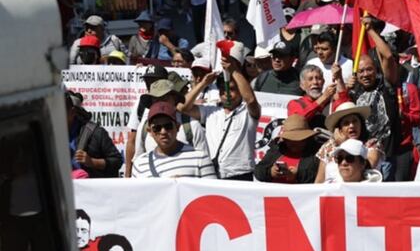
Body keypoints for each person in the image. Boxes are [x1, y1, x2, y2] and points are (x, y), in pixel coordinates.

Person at [179, 44, 261, 181]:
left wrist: (234, 70)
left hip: (240, 175)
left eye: (232, 89)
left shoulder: (247, 113)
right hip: (212, 174)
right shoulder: (211, 111)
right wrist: (203, 83)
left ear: (241, 91)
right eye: (222, 89)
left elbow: (251, 100)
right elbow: (183, 107)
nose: (226, 94)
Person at [130, 101, 216, 179]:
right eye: (157, 128)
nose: (163, 132)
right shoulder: (140, 164)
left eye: (168, 126)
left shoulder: (200, 158)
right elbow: (137, 195)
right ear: (150, 132)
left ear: (178, 127)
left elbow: (211, 194)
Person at [66, 92, 123, 178]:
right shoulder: (50, 134)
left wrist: (92, 162)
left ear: (73, 112)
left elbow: (117, 161)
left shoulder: (96, 133)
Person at [254, 114, 321, 183]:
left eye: (298, 139)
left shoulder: (317, 152)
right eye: (290, 139)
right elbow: (258, 170)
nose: (293, 142)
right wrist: (270, 172)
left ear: (306, 139)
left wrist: (298, 175)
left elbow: (322, 177)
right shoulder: (277, 149)